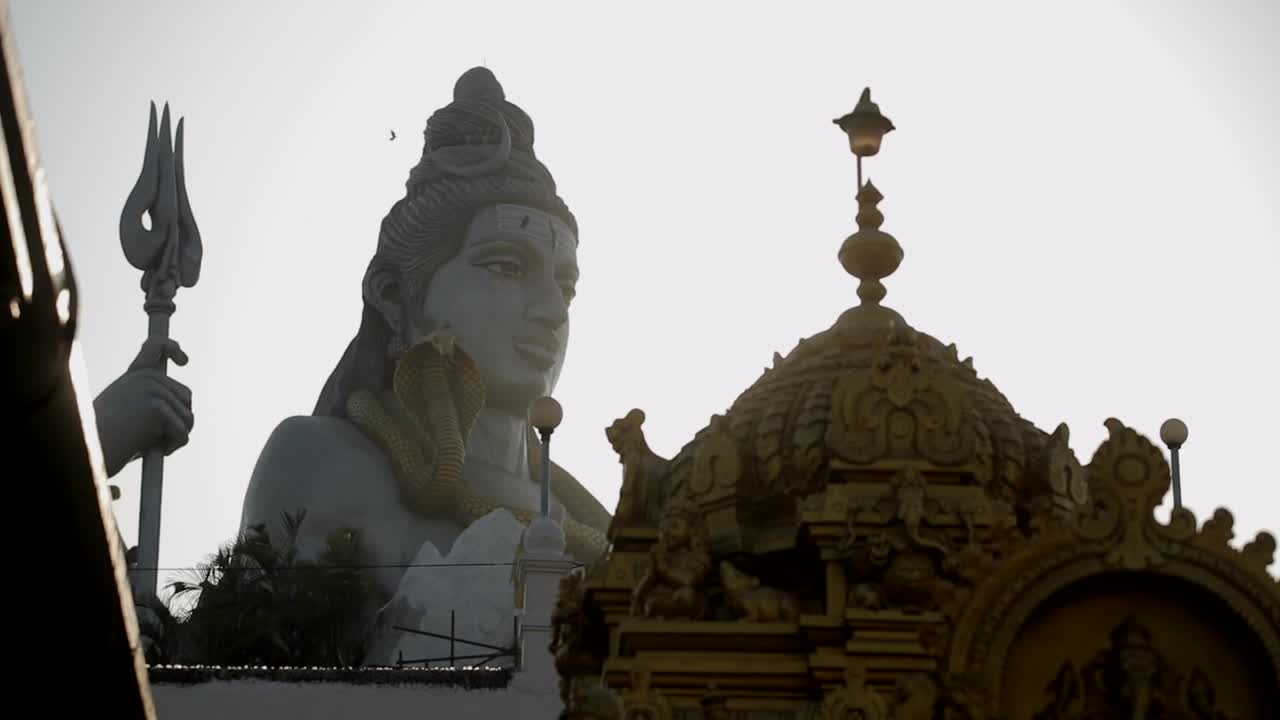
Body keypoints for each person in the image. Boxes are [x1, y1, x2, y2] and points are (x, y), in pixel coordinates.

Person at [239, 67, 611, 603]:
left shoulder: (590, 522)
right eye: (507, 266)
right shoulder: (320, 463)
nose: (553, 309)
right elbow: (262, 651)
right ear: (394, 295)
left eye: (566, 287)